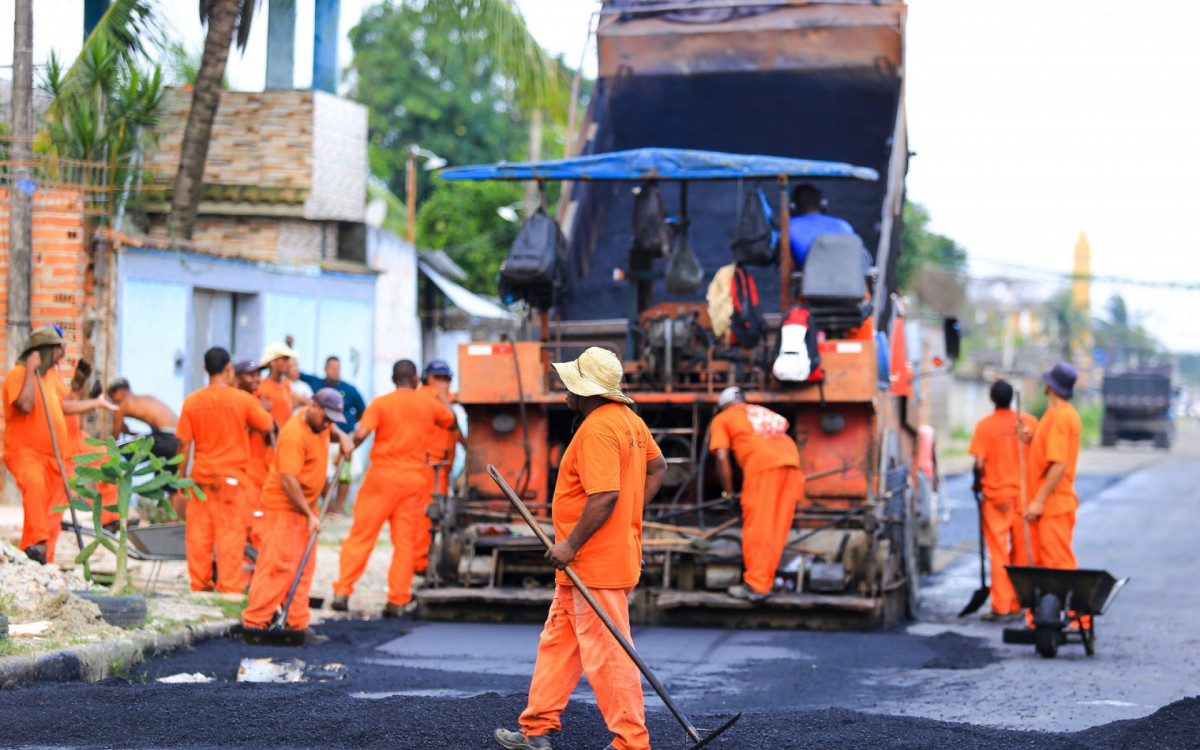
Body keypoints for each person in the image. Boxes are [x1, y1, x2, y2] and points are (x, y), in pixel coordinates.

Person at [495, 347, 666, 750]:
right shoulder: (631, 422)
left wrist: (571, 544)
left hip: (594, 563)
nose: (564, 390)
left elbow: (604, 495)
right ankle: (537, 729)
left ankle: (631, 742)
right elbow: (658, 468)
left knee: (609, 653)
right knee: (559, 641)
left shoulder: (598, 429)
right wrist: (630, 516)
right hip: (592, 562)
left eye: (569, 384)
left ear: (585, 389)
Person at [331, 360, 455, 616]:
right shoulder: (429, 404)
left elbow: (361, 434)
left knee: (361, 535)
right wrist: (442, 397)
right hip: (413, 481)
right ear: (417, 380)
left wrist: (345, 447)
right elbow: (450, 419)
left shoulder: (381, 403)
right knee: (405, 543)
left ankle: (342, 591)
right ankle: (397, 600)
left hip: (381, 478)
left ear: (392, 379)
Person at [242, 389, 354, 639]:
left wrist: (343, 437)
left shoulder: (321, 424)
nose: (328, 424)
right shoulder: (294, 435)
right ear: (313, 406)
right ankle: (255, 623)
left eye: (332, 420)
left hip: (307, 507)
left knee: (304, 567)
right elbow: (288, 481)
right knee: (277, 565)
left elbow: (331, 430)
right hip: (284, 506)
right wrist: (310, 514)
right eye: (326, 417)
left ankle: (296, 622)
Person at [3, 325, 117, 564]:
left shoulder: (52, 376)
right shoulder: (18, 374)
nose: (63, 353)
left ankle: (39, 559)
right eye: (58, 348)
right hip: (26, 454)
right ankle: (37, 545)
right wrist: (31, 371)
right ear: (44, 350)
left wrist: (95, 403)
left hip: (54, 456)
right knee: (35, 487)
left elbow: (64, 407)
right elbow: (24, 405)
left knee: (51, 513)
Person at [176, 347, 274, 593]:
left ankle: (199, 587)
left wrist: (180, 480)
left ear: (204, 368)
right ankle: (229, 590)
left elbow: (183, 445)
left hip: (199, 480)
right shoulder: (242, 401)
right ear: (228, 368)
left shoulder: (192, 402)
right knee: (230, 538)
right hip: (232, 481)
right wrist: (262, 409)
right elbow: (266, 426)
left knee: (199, 538)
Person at [708, 386, 805, 603]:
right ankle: (764, 582)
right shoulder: (759, 412)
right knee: (775, 529)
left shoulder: (723, 418)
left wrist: (728, 493)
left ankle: (756, 585)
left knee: (758, 528)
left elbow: (722, 458)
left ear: (723, 406)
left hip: (763, 470)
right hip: (792, 467)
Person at [968, 380, 1038, 622]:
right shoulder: (1028, 422)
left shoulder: (984, 426)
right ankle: (1021, 602)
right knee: (1021, 551)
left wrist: (977, 484)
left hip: (995, 497)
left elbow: (979, 464)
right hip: (1024, 497)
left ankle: (1002, 605)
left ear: (992, 399)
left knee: (999, 553)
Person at [1024, 363, 1083, 569]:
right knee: (1043, 567)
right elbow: (1050, 453)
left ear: (1050, 386)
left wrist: (1038, 501)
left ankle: (1067, 603)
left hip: (1053, 505)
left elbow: (1058, 464)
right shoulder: (1055, 415)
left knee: (1058, 567)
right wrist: (1033, 439)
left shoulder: (1060, 417)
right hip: (1049, 505)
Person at [414, 359, 465, 576]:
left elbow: (459, 412)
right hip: (427, 468)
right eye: (437, 378)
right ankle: (419, 564)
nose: (442, 382)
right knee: (426, 516)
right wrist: (445, 399)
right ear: (427, 378)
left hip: (441, 468)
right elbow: (450, 419)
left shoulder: (443, 397)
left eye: (446, 378)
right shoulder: (425, 396)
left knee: (438, 514)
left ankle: (427, 559)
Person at [302, 355, 366, 515]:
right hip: (322, 437)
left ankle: (337, 509)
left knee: (344, 474)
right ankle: (328, 507)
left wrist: (348, 434)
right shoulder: (316, 384)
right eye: (332, 367)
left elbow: (362, 412)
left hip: (343, 436)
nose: (335, 371)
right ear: (325, 368)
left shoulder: (350, 389)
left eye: (338, 368)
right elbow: (295, 374)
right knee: (321, 471)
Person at [233, 359, 274, 550]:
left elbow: (272, 431)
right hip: (242, 472)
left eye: (258, 374)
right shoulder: (235, 400)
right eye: (251, 375)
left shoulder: (257, 399)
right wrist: (259, 412)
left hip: (261, 471)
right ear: (237, 377)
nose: (257, 379)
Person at [106, 377, 181, 471]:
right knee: (165, 479)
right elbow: (151, 434)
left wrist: (102, 448)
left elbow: (113, 440)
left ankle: (114, 480)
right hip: (176, 440)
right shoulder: (146, 398)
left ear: (120, 392)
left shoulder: (123, 405)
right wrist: (130, 433)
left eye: (112, 397)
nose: (113, 402)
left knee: (118, 449)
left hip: (164, 437)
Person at [787, 183, 854, 268]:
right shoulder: (844, 225)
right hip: (848, 278)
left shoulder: (788, 226)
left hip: (810, 279)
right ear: (823, 204)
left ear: (793, 207)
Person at [256, 342, 298, 430]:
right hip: (265, 442)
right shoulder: (260, 386)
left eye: (288, 359)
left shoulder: (286, 385)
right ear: (272, 362)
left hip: (283, 440)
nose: (288, 363)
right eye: (284, 359)